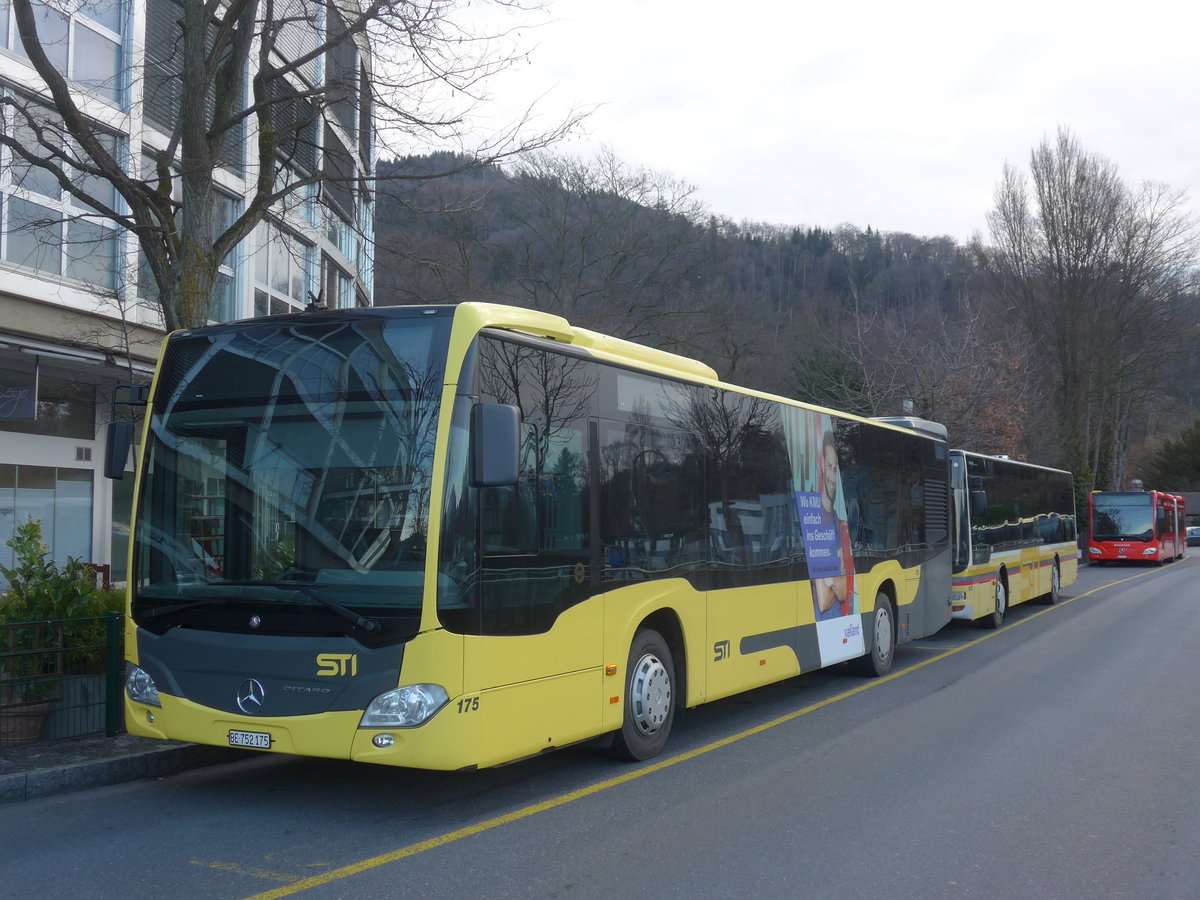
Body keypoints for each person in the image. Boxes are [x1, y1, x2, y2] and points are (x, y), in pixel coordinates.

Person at [810, 429, 855, 620]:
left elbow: (844, 592)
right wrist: (835, 578)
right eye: (829, 467)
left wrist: (832, 580)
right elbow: (823, 600)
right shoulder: (814, 517)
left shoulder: (835, 518)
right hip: (824, 622)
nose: (832, 476)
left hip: (837, 620)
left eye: (835, 468)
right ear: (821, 467)